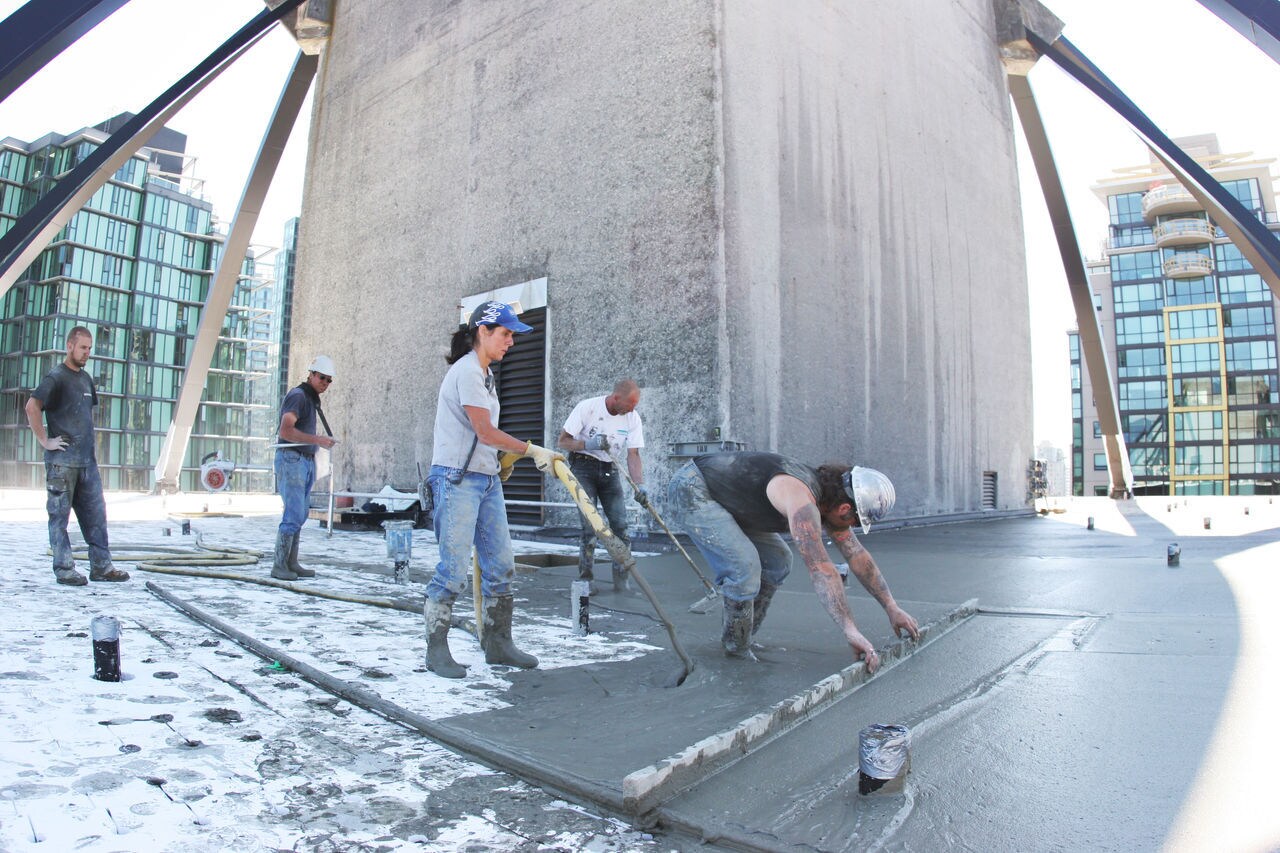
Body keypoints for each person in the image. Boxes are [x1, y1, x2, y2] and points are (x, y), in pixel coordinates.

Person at [668, 451, 919, 672]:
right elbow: (821, 568)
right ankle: (736, 652)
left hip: (730, 499)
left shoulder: (829, 503)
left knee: (777, 561)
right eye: (855, 522)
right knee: (743, 567)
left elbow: (857, 555)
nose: (851, 529)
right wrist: (850, 630)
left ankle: (743, 635)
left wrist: (891, 607)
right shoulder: (803, 500)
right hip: (694, 487)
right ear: (844, 509)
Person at [424, 300, 564, 679]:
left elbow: (481, 437)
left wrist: (497, 462)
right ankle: (436, 650)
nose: (511, 342)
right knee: (452, 572)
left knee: (501, 566)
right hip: (456, 480)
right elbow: (485, 431)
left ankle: (498, 644)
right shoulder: (467, 371)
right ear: (482, 332)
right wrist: (531, 450)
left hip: (483, 481)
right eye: (505, 334)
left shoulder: (485, 375)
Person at [25, 326, 128, 586]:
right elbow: (32, 407)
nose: (87, 353)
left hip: (86, 464)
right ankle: (65, 569)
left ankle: (102, 567)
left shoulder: (85, 379)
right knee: (59, 518)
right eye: (83, 347)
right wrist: (45, 441)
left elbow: (84, 417)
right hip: (62, 463)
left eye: (90, 348)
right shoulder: (56, 377)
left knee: (96, 515)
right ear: (70, 345)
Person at [557, 379, 646, 593]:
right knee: (590, 527)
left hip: (610, 469)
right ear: (616, 398)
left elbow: (633, 454)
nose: (633, 410)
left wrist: (640, 485)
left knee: (620, 526)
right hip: (582, 467)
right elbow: (563, 441)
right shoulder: (587, 408)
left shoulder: (632, 418)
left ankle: (621, 580)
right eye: (630, 405)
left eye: (635, 406)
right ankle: (585, 579)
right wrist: (588, 444)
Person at [272, 355, 338, 581]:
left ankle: (290, 562)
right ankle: (280, 564)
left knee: (299, 512)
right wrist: (317, 440)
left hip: (301, 459)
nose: (325, 383)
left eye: (329, 380)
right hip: (292, 458)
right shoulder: (299, 396)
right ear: (311, 374)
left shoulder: (308, 398)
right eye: (322, 378)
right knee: (293, 513)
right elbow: (285, 431)